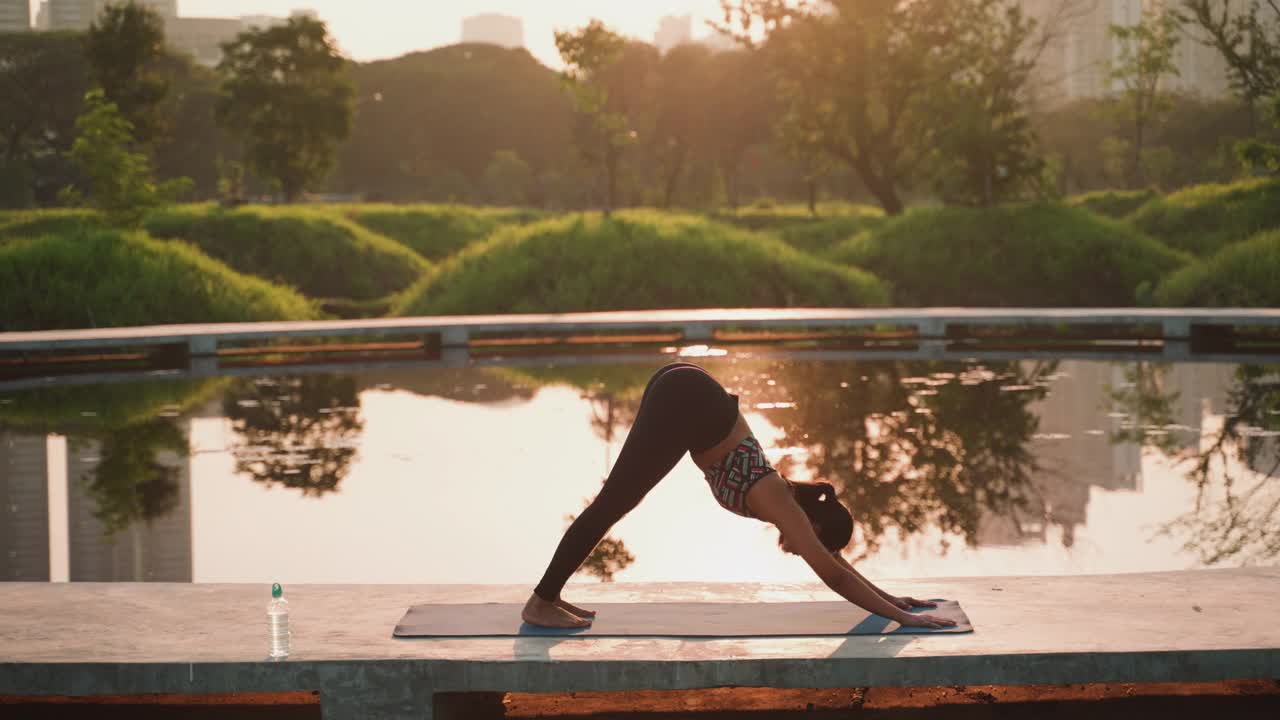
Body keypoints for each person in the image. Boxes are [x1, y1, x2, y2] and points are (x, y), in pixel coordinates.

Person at [522, 362, 957, 630]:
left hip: (687, 394)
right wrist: (904, 620)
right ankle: (541, 602)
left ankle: (550, 595)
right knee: (614, 502)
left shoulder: (789, 503)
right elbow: (833, 574)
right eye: (816, 541)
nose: (802, 551)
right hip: (686, 399)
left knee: (618, 502)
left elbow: (835, 563)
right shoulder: (779, 500)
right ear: (815, 526)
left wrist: (893, 599)